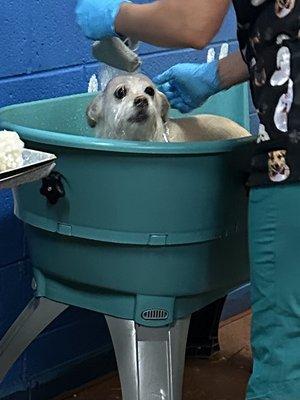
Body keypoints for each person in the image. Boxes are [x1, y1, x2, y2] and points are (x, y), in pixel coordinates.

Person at [76, 1, 300, 398]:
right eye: (125, 93)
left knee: (284, 347)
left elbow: (194, 23)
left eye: (147, 93)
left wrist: (117, 16)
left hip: (293, 148)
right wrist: (217, 73)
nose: (141, 99)